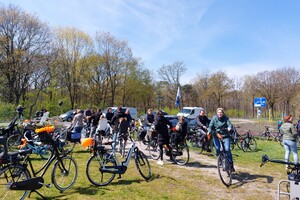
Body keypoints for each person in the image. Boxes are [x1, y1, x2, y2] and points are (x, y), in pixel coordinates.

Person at [207, 108, 235, 172]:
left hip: (225, 136)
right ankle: (220, 159)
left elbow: (229, 124)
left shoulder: (226, 118)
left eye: (221, 112)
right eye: (218, 112)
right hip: (216, 136)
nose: (220, 113)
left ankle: (231, 164)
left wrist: (229, 127)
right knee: (218, 149)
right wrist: (209, 131)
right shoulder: (214, 119)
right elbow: (210, 126)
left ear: (223, 113)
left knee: (227, 149)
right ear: (217, 113)